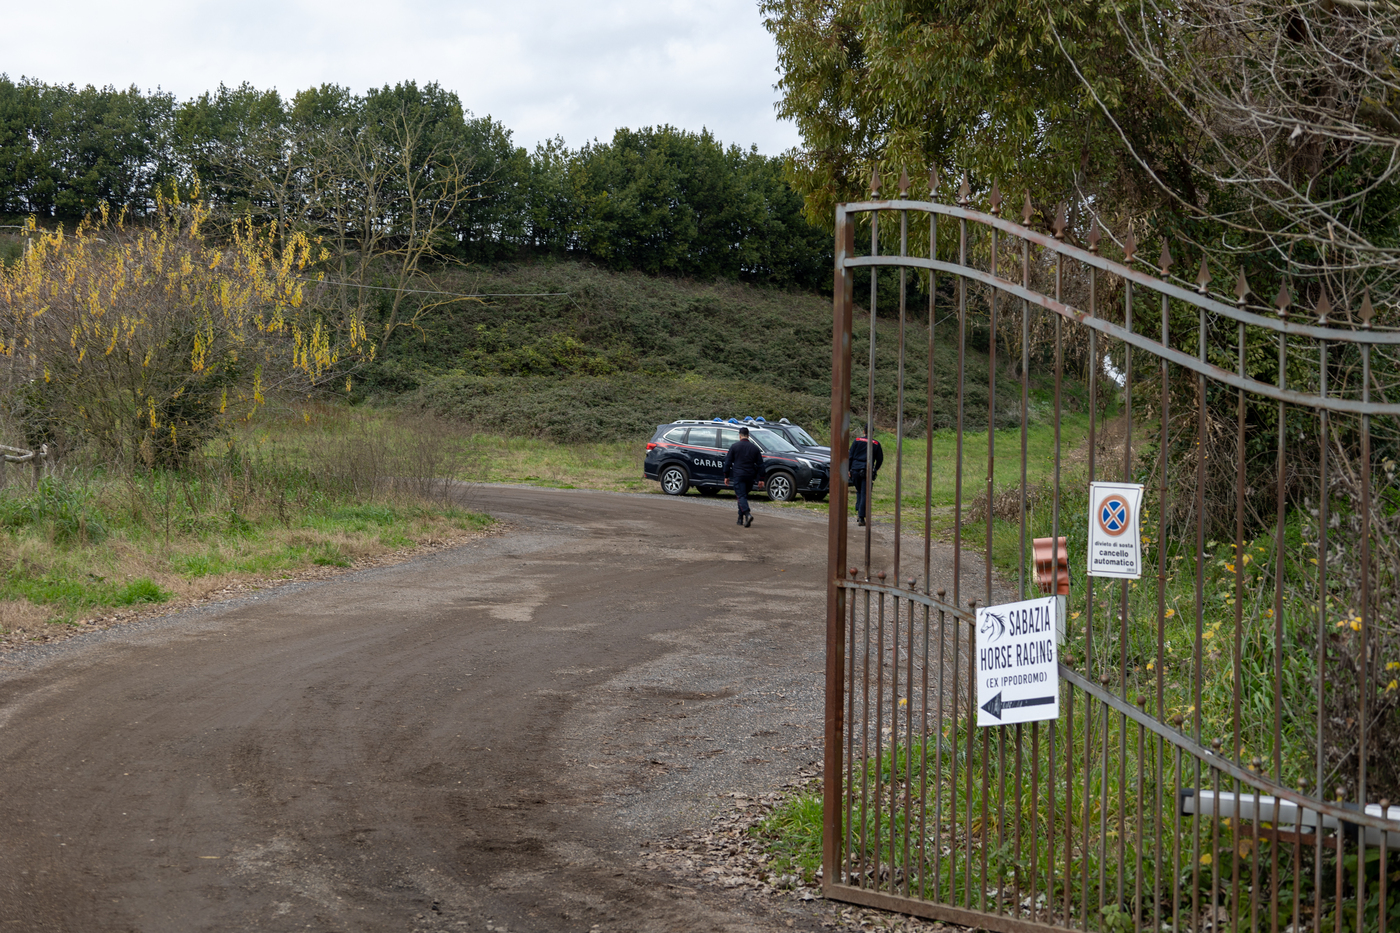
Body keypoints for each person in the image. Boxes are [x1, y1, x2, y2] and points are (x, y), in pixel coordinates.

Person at [723, 426, 764, 527]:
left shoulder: (734, 447)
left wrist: (726, 476)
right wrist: (761, 479)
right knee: (743, 496)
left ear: (740, 436)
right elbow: (761, 465)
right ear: (748, 436)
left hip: (739, 475)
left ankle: (747, 514)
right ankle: (740, 519)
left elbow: (727, 463)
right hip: (750, 477)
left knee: (741, 496)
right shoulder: (755, 448)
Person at [849, 425, 883, 527]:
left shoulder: (856, 440)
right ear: (872, 432)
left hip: (855, 470)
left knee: (859, 491)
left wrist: (848, 470)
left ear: (863, 431)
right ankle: (861, 517)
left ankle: (859, 512)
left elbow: (850, 456)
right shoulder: (876, 443)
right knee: (864, 493)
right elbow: (880, 459)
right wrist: (875, 469)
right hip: (867, 470)